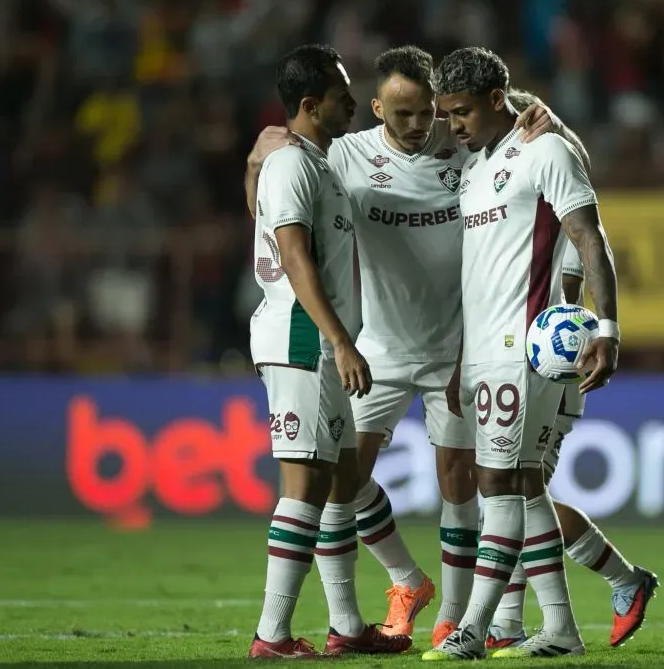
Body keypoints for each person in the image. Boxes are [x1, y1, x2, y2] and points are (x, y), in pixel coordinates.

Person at [245, 45, 564, 645]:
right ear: (372, 110)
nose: (419, 126)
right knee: (341, 480)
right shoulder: (337, 154)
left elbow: (556, 159)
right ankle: (393, 584)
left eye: (427, 113)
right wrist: (254, 158)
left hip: (453, 343)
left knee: (459, 480)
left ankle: (451, 619)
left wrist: (543, 114)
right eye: (403, 115)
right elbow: (275, 211)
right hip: (371, 347)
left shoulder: (468, 140)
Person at [422, 46, 625, 660]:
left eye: (460, 112)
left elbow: (590, 237)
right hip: (482, 351)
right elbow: (478, 274)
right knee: (521, 488)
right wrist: (461, 358)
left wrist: (607, 326)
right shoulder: (476, 169)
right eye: (445, 113)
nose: (452, 124)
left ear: (495, 100)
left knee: (500, 486)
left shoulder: (544, 149)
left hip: (524, 347)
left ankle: (474, 630)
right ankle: (560, 630)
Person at [246, 43, 411, 660]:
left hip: (320, 340)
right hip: (303, 336)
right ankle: (273, 635)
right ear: (311, 105)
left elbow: (262, 225)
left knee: (342, 482)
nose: (353, 102)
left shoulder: (312, 163)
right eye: (344, 94)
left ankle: (346, 625)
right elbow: (290, 254)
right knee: (306, 487)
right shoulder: (293, 164)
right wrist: (340, 340)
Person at [486, 240, 657, 652]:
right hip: (522, 372)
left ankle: (624, 578)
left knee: (521, 494)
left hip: (549, 377)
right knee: (512, 495)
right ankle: (508, 622)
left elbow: (561, 299)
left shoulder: (560, 225)